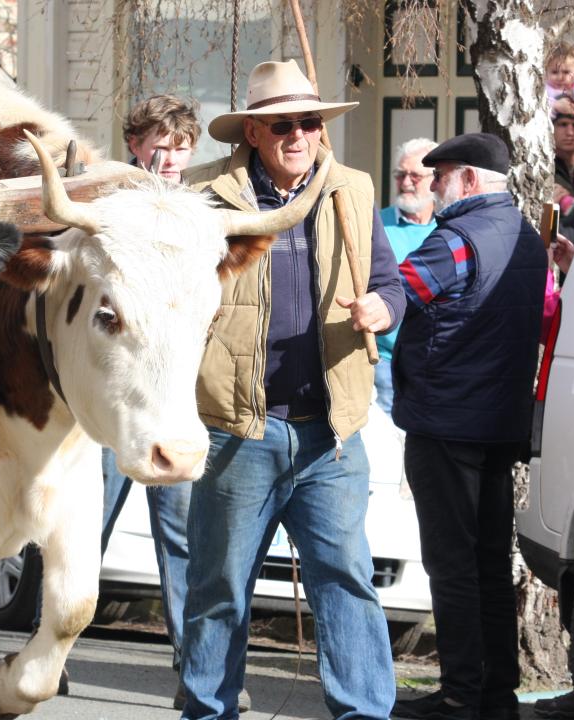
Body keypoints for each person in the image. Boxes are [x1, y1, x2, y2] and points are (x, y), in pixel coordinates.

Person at [181, 59, 405, 720]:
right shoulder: (202, 197)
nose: (299, 134)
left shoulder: (351, 190)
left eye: (310, 122)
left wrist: (383, 309)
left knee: (347, 582)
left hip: (329, 434)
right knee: (219, 586)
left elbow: (390, 284)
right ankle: (206, 711)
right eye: (283, 124)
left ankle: (364, 713)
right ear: (252, 132)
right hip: (236, 430)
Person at [389, 133, 547, 720]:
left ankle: (459, 696)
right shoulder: (527, 238)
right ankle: (495, 694)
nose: (431, 185)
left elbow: (399, 292)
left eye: (442, 175)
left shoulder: (456, 240)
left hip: (447, 421)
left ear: (471, 181)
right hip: (497, 424)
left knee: (453, 565)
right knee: (486, 563)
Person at [101, 92, 235, 711]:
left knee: (181, 534)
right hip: (107, 401)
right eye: (160, 142)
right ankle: (50, 642)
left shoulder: (202, 210)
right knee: (82, 525)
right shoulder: (102, 199)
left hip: (174, 398)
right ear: (135, 144)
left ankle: (190, 656)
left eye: (182, 144)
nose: (171, 155)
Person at [376, 137, 439, 413]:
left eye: (415, 175)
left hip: (436, 365)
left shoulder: (449, 228)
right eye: (400, 174)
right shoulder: (376, 224)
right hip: (386, 363)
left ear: (435, 178)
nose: (405, 182)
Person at [122, 94, 201, 182]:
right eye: (161, 149)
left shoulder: (202, 191)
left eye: (180, 149)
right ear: (135, 145)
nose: (171, 161)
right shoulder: (111, 193)